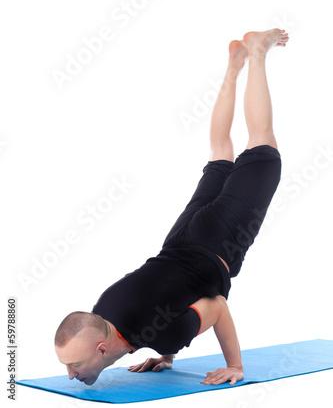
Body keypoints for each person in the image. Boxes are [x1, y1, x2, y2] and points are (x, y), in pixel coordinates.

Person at [54, 28, 289, 387]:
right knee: (220, 155)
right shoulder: (101, 313)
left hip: (216, 240)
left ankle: (255, 53)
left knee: (262, 147)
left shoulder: (158, 332)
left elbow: (216, 308)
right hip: (180, 240)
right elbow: (159, 300)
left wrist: (235, 367)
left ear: (102, 348)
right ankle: (233, 63)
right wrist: (165, 355)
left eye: (73, 365)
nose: (70, 375)